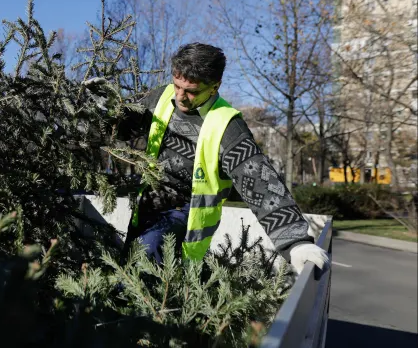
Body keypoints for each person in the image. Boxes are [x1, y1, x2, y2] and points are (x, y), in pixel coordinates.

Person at [90, 43, 329, 275]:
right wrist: (107, 107)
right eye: (177, 86)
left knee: (145, 267)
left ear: (215, 86)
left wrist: (296, 242)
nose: (181, 97)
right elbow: (123, 129)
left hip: (184, 213)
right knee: (132, 269)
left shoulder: (228, 126)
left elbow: (260, 183)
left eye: (192, 91)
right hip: (148, 203)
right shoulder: (159, 98)